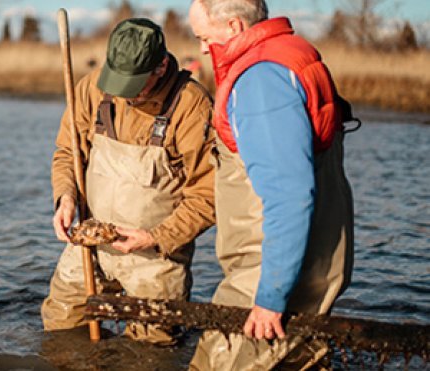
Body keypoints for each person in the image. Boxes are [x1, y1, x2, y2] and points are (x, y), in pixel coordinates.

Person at [187, 0, 355, 369]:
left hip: (266, 272)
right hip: (304, 261)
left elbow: (289, 197)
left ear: (233, 27)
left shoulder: (260, 80)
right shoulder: (289, 54)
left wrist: (269, 298)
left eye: (203, 36)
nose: (201, 48)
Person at [41, 18, 215, 345]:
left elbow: (208, 196)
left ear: (161, 66)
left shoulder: (192, 105)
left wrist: (155, 237)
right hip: (90, 245)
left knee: (151, 351)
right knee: (61, 331)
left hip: (156, 256)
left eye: (133, 84)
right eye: (115, 80)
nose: (121, 93)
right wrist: (64, 197)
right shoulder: (92, 87)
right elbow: (68, 152)